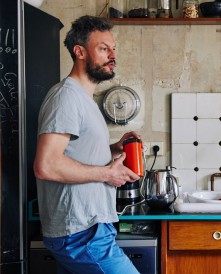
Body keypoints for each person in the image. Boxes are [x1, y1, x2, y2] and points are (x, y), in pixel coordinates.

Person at [33, 15, 141, 274]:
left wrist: (115, 147)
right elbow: (46, 165)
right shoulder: (66, 97)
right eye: (103, 49)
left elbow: (74, 152)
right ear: (79, 52)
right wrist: (108, 173)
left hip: (86, 228)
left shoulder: (83, 99)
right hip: (81, 232)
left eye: (113, 49)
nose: (112, 55)